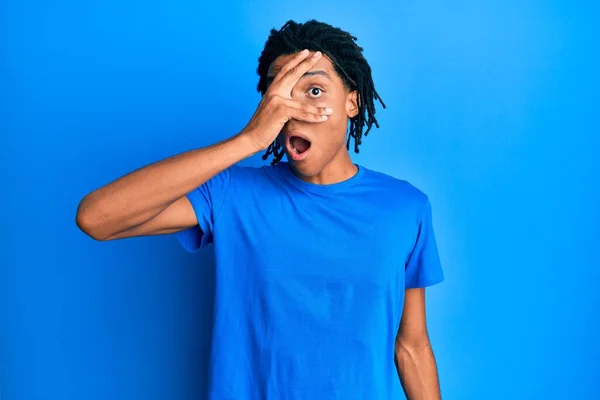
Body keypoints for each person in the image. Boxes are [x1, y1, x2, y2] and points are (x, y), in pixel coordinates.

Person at [76, 19, 445, 400]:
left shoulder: (405, 208)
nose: (295, 110)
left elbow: (412, 345)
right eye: (279, 95)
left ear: (352, 101)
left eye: (314, 90)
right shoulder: (231, 193)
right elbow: (96, 218)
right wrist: (248, 139)